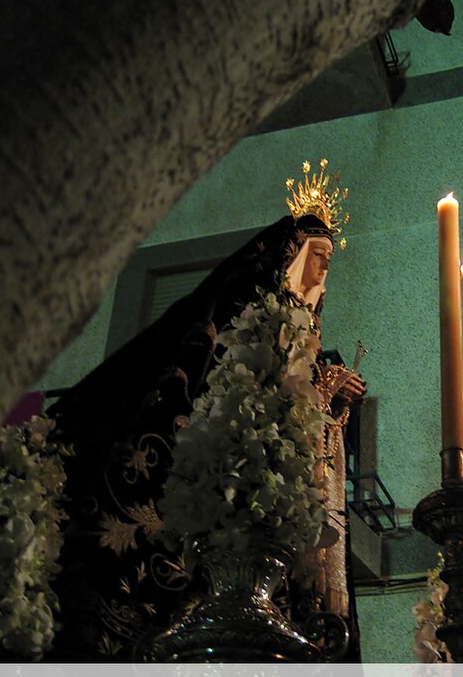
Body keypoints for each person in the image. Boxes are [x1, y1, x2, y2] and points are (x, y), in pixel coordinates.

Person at [44, 162, 367, 661]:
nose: (325, 269)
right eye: (319, 255)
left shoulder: (312, 341)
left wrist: (331, 396)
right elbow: (231, 384)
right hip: (240, 477)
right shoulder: (254, 320)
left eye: (330, 260)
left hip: (282, 497)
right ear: (294, 255)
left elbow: (303, 419)